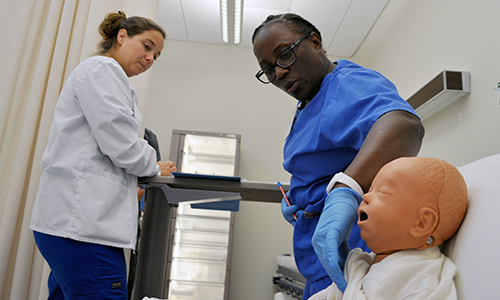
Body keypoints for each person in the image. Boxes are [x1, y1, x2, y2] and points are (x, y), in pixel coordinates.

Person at [252, 13, 425, 298]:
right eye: (268, 69)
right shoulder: (309, 101)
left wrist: (346, 191)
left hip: (355, 255)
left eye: (284, 55)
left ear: (315, 42)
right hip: (321, 262)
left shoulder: (346, 82)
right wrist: (303, 202)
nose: (279, 73)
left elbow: (404, 127)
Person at [30, 11, 176, 299]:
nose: (150, 58)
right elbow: (121, 145)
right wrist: (154, 166)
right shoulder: (102, 70)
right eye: (147, 47)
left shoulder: (109, 78)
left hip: (76, 226)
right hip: (83, 228)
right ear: (122, 36)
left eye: (156, 56)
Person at [309, 157, 468, 300]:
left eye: (383, 192)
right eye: (370, 189)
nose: (365, 197)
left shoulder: (419, 280)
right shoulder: (362, 264)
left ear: (422, 224)